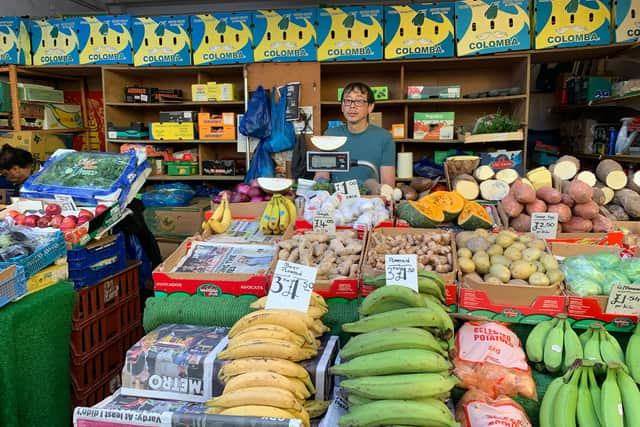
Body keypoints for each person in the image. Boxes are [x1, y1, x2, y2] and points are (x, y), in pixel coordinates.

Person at [314, 82, 396, 186]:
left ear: (370, 107)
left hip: (370, 199)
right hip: (337, 199)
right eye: (348, 101)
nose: (352, 106)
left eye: (359, 101)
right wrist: (319, 185)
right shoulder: (330, 135)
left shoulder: (384, 138)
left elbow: (387, 184)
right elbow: (322, 175)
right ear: (342, 107)